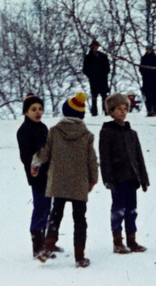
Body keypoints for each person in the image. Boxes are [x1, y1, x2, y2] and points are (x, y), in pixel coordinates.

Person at [31, 91, 99, 268]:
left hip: (59, 181)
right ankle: (79, 256)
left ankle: (47, 247)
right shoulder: (87, 135)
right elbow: (92, 159)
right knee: (80, 219)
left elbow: (44, 152)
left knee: (55, 214)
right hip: (79, 183)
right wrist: (93, 179)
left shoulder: (55, 131)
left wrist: (36, 163)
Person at [99, 91, 150, 255]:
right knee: (118, 210)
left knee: (131, 210)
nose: (122, 111)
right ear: (111, 112)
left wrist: (143, 179)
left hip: (132, 178)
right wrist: (107, 178)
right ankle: (117, 241)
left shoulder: (131, 133)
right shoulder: (107, 132)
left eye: (125, 108)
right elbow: (104, 157)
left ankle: (131, 240)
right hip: (117, 179)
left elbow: (139, 158)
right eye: (118, 108)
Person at [16, 93, 55, 258]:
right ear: (26, 112)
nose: (38, 112)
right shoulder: (24, 130)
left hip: (49, 174)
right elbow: (26, 155)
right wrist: (35, 165)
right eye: (33, 109)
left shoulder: (43, 127)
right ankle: (37, 246)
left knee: (48, 208)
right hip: (37, 175)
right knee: (40, 208)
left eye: (40, 109)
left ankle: (46, 243)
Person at [82, 39, 110, 116]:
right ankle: (94, 112)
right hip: (93, 80)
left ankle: (106, 111)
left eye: (95, 46)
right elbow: (85, 70)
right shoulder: (88, 58)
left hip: (103, 80)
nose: (94, 48)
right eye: (93, 47)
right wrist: (91, 75)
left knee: (104, 96)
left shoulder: (103, 56)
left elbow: (107, 68)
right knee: (94, 96)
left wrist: (103, 74)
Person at [139, 46, 156, 117]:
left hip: (153, 79)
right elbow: (140, 68)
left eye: (149, 49)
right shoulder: (144, 58)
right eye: (147, 49)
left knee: (154, 95)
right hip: (146, 79)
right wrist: (143, 73)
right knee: (147, 95)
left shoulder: (155, 58)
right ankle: (149, 111)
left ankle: (155, 110)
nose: (148, 51)